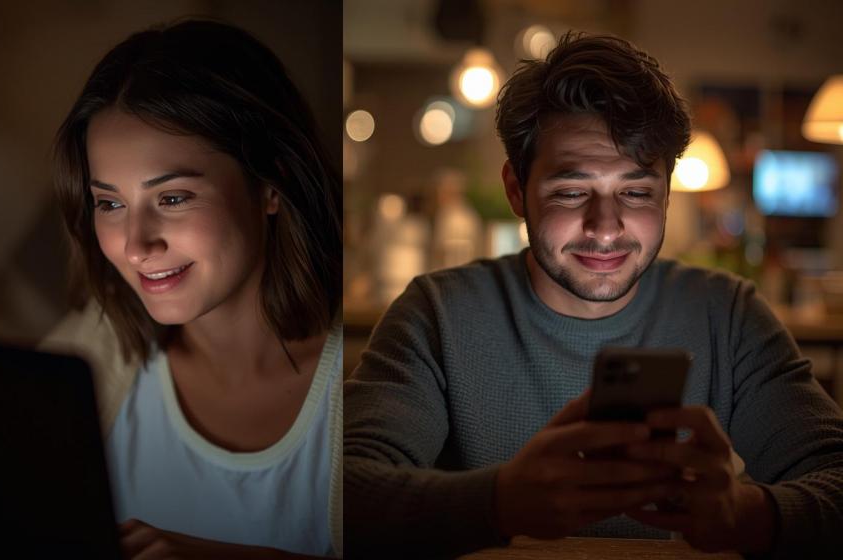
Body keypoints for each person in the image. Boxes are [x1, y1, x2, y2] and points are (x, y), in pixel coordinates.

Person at [343, 32, 843, 559]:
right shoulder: (438, 315)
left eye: (635, 192)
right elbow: (341, 490)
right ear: (517, 189)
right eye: (571, 191)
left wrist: (745, 515)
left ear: (667, 194)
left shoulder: (729, 314)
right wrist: (499, 503)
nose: (606, 228)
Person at [42, 19, 342, 559]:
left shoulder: (366, 380)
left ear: (270, 184)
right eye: (110, 203)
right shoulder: (86, 352)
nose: (136, 245)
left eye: (173, 198)